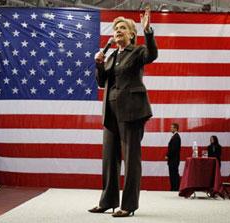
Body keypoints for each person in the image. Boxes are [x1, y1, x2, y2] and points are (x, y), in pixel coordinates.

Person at [88, 7, 157, 218]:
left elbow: (152, 54)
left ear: (131, 34)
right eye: (116, 28)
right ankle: (107, 201)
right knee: (109, 159)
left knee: (131, 159)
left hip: (132, 112)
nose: (117, 30)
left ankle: (128, 205)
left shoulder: (137, 51)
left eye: (122, 28)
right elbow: (101, 83)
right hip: (110, 113)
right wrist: (99, 64)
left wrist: (148, 32)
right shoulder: (110, 57)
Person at [165, 123, 181, 191]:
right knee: (172, 174)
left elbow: (173, 149)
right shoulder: (174, 136)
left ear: (175, 128)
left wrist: (168, 155)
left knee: (174, 174)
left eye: (172, 127)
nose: (170, 129)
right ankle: (173, 188)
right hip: (173, 159)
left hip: (173, 160)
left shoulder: (176, 137)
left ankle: (175, 188)